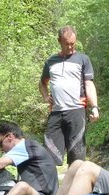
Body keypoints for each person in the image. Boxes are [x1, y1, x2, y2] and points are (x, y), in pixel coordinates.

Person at [39, 25, 100, 166]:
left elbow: (89, 85)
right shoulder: (50, 62)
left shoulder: (83, 59)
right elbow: (42, 83)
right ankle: (51, 187)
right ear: (59, 41)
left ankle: (77, 187)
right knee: (49, 155)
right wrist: (45, 96)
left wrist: (95, 107)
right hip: (56, 112)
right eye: (67, 44)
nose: (71, 47)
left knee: (77, 157)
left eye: (73, 43)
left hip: (76, 110)